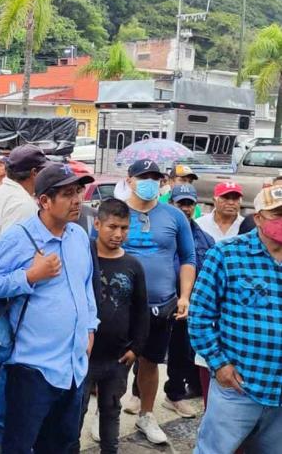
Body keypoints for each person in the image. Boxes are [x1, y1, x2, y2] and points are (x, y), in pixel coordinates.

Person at [0, 164, 97, 453]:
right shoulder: (20, 237)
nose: (77, 200)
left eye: (78, 191)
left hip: (72, 366)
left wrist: (89, 326)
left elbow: (86, 286)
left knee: (61, 445)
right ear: (44, 201)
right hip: (31, 368)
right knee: (20, 445)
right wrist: (31, 275)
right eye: (67, 194)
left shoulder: (78, 236)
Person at [189, 185, 282, 454]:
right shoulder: (227, 254)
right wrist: (219, 365)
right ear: (259, 217)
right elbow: (199, 316)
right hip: (239, 387)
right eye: (277, 214)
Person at [121, 160, 196, 445]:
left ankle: (147, 414)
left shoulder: (174, 216)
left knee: (151, 362)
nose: (150, 181)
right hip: (120, 305)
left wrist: (184, 295)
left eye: (155, 177)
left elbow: (188, 258)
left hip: (161, 304)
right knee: (114, 363)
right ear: (129, 180)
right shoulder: (115, 211)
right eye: (143, 176)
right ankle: (108, 413)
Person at [76, 198, 149, 454]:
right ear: (97, 224)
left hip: (117, 358)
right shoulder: (83, 259)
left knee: (111, 410)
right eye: (112, 226)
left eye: (124, 228)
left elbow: (141, 310)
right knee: (76, 410)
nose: (118, 234)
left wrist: (136, 348)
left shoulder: (133, 266)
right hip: (84, 356)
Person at [168, 184, 214, 414]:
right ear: (171, 204)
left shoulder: (206, 239)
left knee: (181, 350)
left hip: (189, 303)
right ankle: (137, 394)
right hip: (161, 298)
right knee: (147, 349)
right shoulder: (163, 232)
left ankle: (175, 393)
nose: (185, 208)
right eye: (180, 203)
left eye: (189, 204)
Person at [0, 145, 46, 255]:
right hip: (14, 270)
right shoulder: (22, 203)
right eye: (43, 171)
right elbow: (13, 253)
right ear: (34, 173)